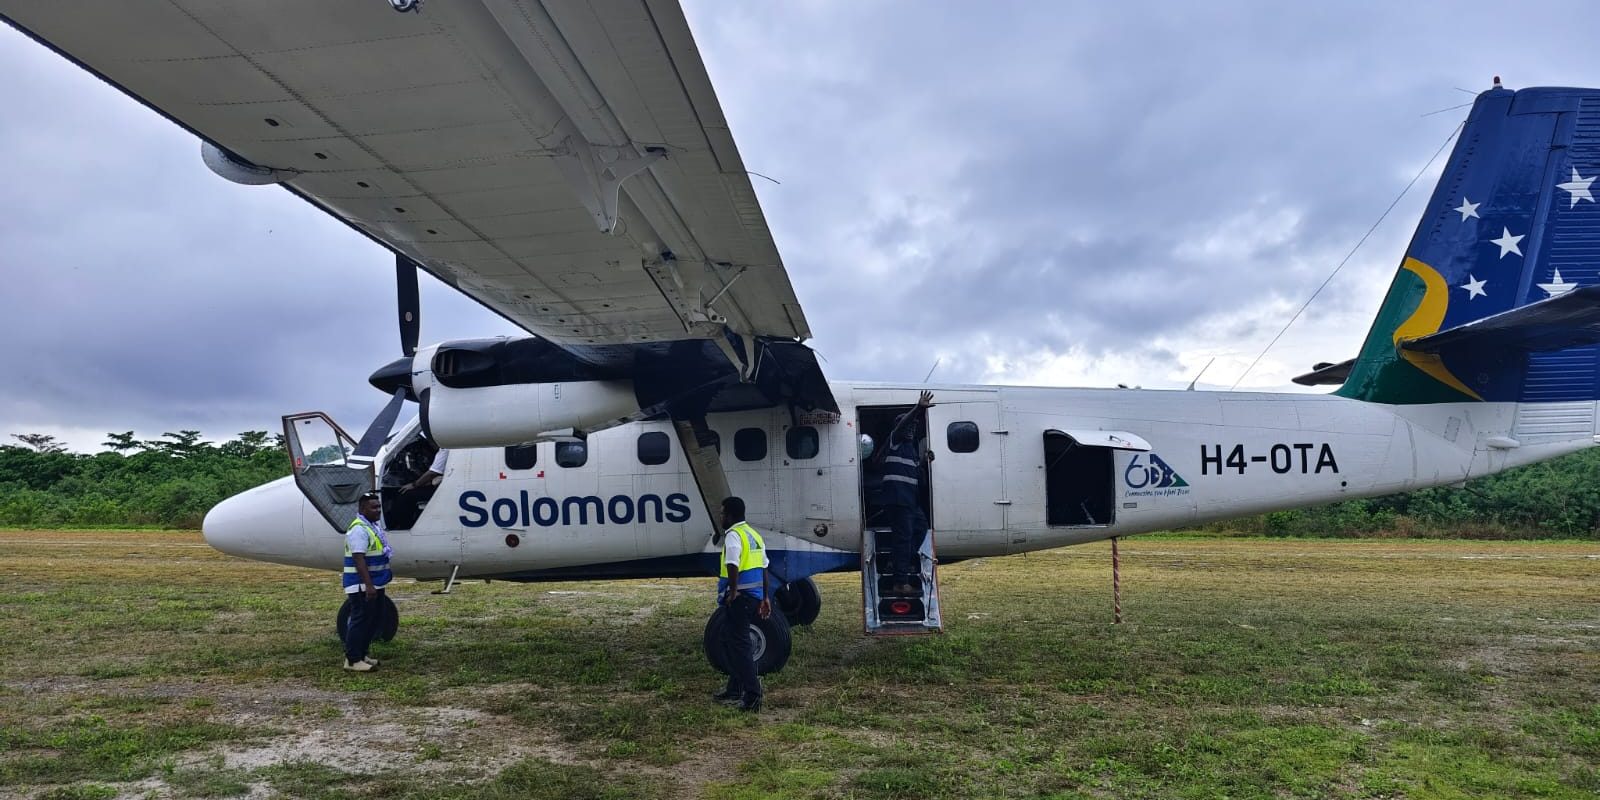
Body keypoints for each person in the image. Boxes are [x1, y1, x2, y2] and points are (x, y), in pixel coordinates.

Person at [711, 496, 770, 713]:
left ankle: (753, 695)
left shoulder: (734, 536)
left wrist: (733, 591)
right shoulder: (754, 535)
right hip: (753, 597)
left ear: (730, 515)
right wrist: (765, 597)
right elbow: (764, 567)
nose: (721, 517)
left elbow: (732, 563)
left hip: (740, 598)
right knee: (728, 640)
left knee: (740, 645)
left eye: (722, 513)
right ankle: (735, 688)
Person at [873, 390, 934, 584]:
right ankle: (901, 582)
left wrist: (924, 462)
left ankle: (896, 561)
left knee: (921, 527)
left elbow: (916, 477)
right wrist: (918, 408)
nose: (912, 429)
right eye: (909, 426)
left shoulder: (912, 452)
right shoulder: (895, 440)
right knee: (904, 537)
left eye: (914, 427)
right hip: (897, 499)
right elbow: (902, 426)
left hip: (909, 501)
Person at [341, 491, 392, 672]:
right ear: (362, 509)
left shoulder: (371, 527)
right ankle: (352, 660)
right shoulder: (359, 529)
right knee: (360, 620)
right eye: (374, 507)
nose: (378, 510)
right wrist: (368, 586)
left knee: (373, 620)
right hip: (362, 585)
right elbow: (358, 558)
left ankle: (362, 654)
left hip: (375, 583)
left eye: (379, 506)